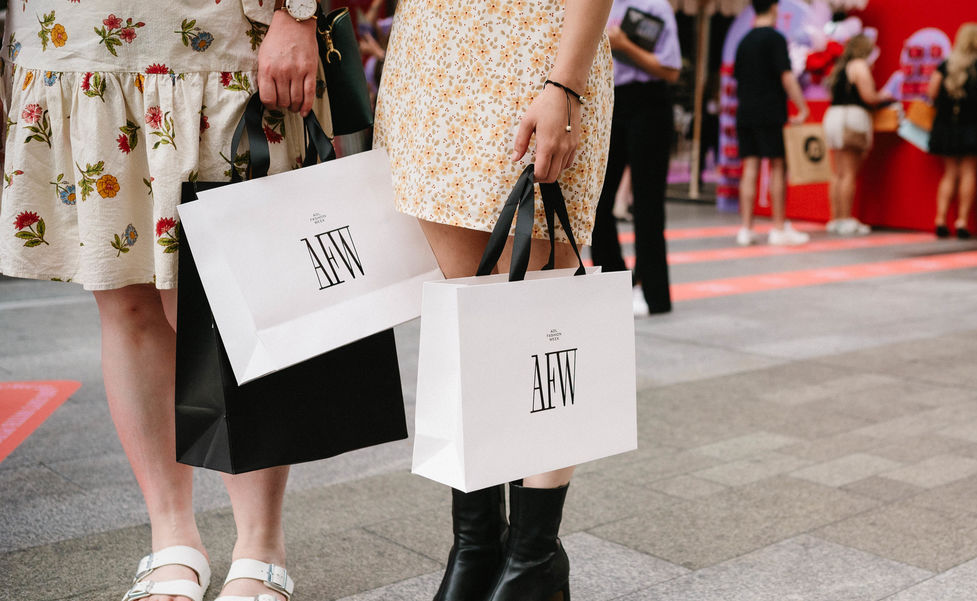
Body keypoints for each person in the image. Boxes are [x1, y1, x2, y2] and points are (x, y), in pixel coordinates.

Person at [0, 2, 329, 600]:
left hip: (214, 39)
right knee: (123, 302)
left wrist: (298, 12)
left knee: (230, 309)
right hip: (73, 46)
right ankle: (171, 538)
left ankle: (260, 544)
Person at [374, 1, 612, 600]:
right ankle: (478, 547)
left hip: (541, 53)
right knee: (464, 327)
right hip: (434, 59)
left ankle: (532, 559)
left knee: (541, 333)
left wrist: (566, 82)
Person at [591, 0, 682, 317]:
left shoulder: (656, 6)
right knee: (596, 199)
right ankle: (611, 281)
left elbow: (670, 70)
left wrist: (624, 45)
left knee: (647, 204)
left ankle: (654, 293)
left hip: (649, 102)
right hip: (606, 102)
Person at [734, 0, 811, 247]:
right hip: (770, 111)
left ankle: (746, 228)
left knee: (750, 167)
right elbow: (786, 76)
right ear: (775, 8)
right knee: (778, 165)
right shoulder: (775, 39)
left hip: (745, 111)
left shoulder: (743, 41)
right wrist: (802, 106)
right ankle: (778, 227)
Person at [927, 22, 977, 239]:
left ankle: (940, 218)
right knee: (970, 171)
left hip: (946, 124)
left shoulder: (946, 64)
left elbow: (932, 92)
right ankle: (962, 220)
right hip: (974, 124)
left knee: (950, 172)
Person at [822, 33, 892, 236]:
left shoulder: (839, 67)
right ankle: (846, 220)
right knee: (849, 173)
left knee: (837, 173)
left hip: (833, 117)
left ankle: (836, 219)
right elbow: (868, 96)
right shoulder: (860, 65)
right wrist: (884, 96)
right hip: (852, 118)